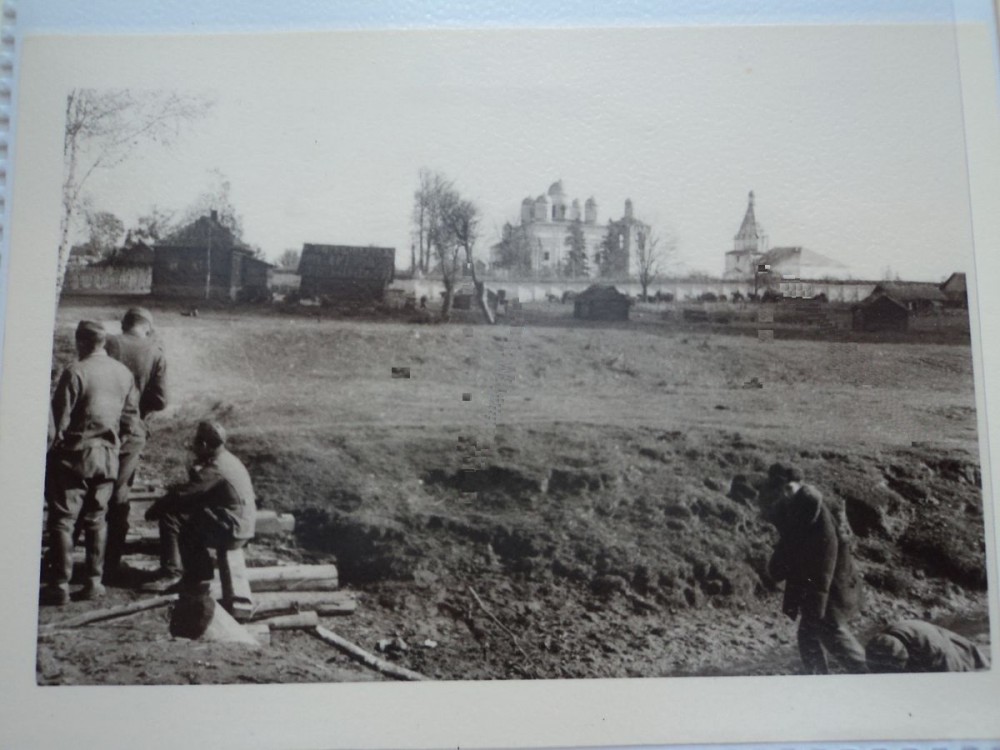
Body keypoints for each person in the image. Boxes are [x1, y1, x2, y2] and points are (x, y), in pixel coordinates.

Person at [42, 321, 139, 605]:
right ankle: (93, 582)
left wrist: (53, 451)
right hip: (108, 457)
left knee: (63, 520)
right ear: (104, 343)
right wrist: (113, 442)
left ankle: (59, 584)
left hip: (75, 455)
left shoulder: (76, 371)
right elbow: (130, 420)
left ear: (81, 342)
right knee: (97, 519)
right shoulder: (123, 373)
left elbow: (58, 423)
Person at [766, 463, 867, 674]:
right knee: (809, 636)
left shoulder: (815, 513)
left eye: (789, 488)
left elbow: (825, 563)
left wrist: (817, 603)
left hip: (831, 588)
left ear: (800, 486)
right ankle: (819, 680)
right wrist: (777, 567)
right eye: (780, 489)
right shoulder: (796, 511)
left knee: (833, 635)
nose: (784, 494)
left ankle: (867, 675)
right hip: (816, 587)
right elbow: (790, 544)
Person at [142, 421, 256, 593]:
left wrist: (156, 508)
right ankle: (199, 574)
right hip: (239, 525)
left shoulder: (216, 467)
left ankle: (173, 574)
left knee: (171, 517)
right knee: (188, 516)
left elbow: (185, 494)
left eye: (196, 444)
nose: (193, 447)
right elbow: (198, 491)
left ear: (204, 445)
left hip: (233, 531)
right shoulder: (226, 459)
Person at [103, 307, 168, 581]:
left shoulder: (108, 343)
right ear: (147, 327)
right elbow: (161, 399)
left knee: (89, 488)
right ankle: (110, 564)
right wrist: (140, 409)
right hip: (132, 432)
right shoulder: (156, 352)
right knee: (119, 495)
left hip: (98, 426)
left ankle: (68, 562)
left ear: (124, 324)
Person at [866, 620, 990, 673]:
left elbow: (948, 674)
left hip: (948, 650)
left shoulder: (935, 650)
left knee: (972, 665)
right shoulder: (878, 642)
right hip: (922, 635)